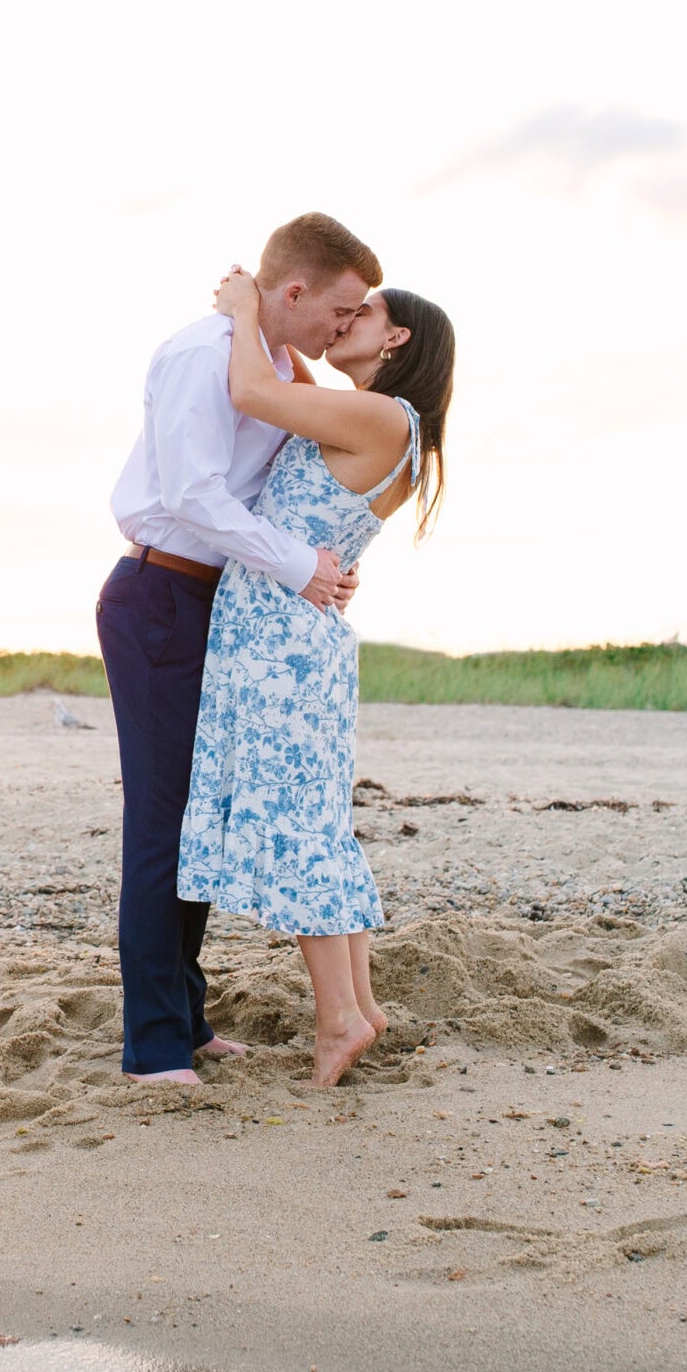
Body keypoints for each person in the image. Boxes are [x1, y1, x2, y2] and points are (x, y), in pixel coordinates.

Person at [98, 212, 381, 1084]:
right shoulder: (202, 354)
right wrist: (300, 567)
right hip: (161, 595)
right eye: (340, 310)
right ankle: (152, 1045)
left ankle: (186, 1016)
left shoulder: (275, 365)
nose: (345, 328)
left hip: (217, 604)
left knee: (197, 823)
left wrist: (318, 562)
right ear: (292, 292)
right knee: (160, 824)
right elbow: (191, 494)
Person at [176, 274, 456, 1085]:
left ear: (396, 338)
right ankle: (360, 1008)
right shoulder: (393, 423)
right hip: (301, 635)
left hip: (279, 640)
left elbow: (254, 386)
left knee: (299, 833)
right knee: (319, 824)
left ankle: (337, 1019)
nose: (345, 321)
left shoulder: (376, 414)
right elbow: (292, 376)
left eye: (363, 313)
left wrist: (239, 311)